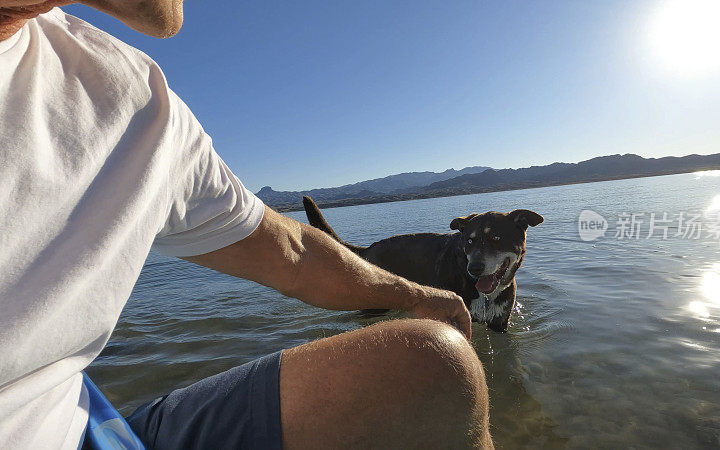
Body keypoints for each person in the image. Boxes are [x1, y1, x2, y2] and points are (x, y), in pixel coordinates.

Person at [0, 1, 493, 449]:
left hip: (71, 427)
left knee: (434, 362)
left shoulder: (133, 103)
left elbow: (295, 251)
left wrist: (417, 295)